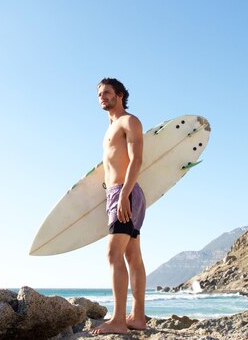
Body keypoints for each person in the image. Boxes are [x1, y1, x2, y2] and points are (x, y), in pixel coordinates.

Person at [91, 78, 147, 335]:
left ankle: (118, 320)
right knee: (132, 256)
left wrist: (124, 194)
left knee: (113, 255)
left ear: (120, 95)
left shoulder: (128, 121)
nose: (102, 97)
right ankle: (137, 317)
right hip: (117, 194)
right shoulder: (109, 129)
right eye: (100, 94)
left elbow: (136, 160)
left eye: (107, 93)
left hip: (125, 193)